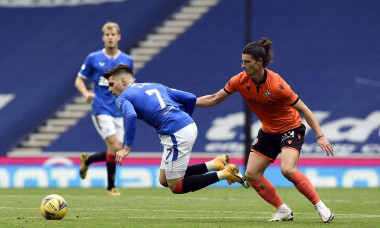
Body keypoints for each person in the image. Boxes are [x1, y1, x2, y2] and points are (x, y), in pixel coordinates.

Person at [196, 37, 335, 223]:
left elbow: (304, 110)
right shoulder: (239, 81)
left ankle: (321, 206)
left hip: (290, 129)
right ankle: (283, 210)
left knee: (287, 170)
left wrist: (320, 136)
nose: (242, 65)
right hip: (268, 131)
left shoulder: (277, 85)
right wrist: (188, 103)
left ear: (259, 62)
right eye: (242, 61)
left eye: (247, 62)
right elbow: (214, 98)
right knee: (251, 174)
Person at [103, 64, 249, 194]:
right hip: (186, 126)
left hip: (176, 133)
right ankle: (215, 164)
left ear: (123, 81)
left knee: (176, 187)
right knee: (164, 179)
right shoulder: (155, 85)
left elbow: (130, 116)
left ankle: (226, 173)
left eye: (111, 84)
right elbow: (190, 98)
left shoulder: (122, 97)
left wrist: (127, 148)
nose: (109, 90)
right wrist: (183, 119)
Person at [74, 22, 134, 196]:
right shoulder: (93, 58)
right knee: (116, 146)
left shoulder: (127, 60)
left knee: (116, 149)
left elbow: (130, 84)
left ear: (118, 37)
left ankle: (88, 160)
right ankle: (110, 188)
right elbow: (79, 79)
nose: (110, 37)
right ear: (103, 38)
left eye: (113, 34)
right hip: (100, 108)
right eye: (107, 35)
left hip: (118, 109)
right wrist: (86, 93)